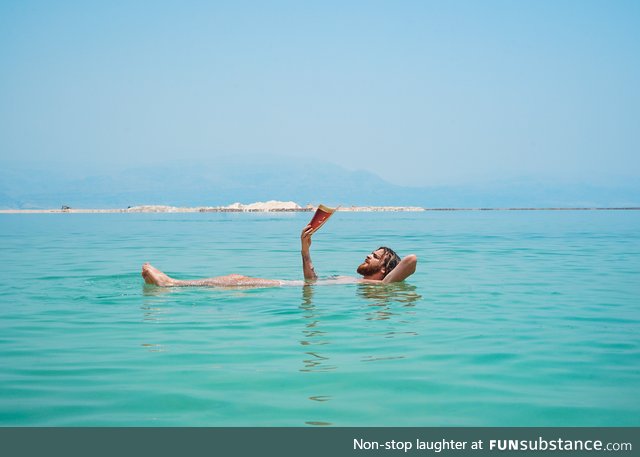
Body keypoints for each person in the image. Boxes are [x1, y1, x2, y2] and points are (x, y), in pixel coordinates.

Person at [141, 224, 417, 287]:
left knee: (237, 280)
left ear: (384, 268)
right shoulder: (363, 284)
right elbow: (312, 281)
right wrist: (305, 248)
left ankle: (172, 284)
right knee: (237, 279)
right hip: (297, 286)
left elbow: (411, 260)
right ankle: (173, 284)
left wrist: (387, 279)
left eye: (375, 256)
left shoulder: (381, 287)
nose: (367, 255)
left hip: (286, 289)